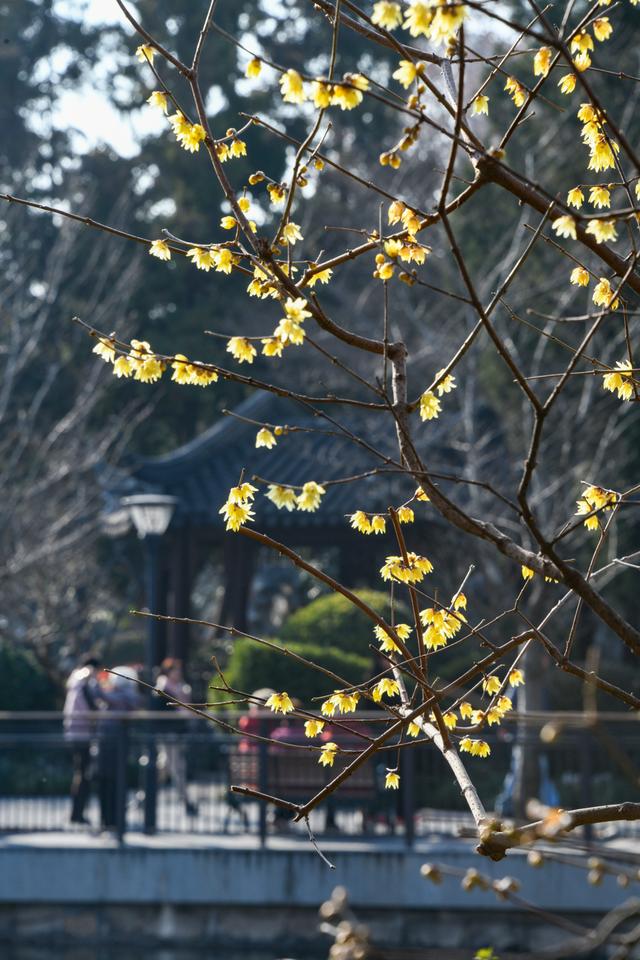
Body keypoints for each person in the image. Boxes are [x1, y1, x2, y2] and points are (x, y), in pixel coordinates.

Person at [97, 666, 141, 833]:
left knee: (114, 783)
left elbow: (103, 697)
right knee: (109, 783)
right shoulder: (125, 695)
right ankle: (109, 820)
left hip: (113, 746)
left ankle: (113, 820)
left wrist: (95, 684)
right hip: (110, 745)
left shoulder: (124, 696)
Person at [63, 654, 102, 826]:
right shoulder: (83, 679)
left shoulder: (75, 683)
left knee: (82, 773)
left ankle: (77, 813)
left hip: (75, 732)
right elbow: (89, 709)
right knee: (83, 774)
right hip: (81, 733)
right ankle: (77, 814)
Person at [155, 658, 196, 816]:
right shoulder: (162, 689)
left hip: (177, 732)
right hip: (167, 733)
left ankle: (145, 798)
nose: (178, 673)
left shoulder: (181, 688)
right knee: (178, 767)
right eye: (175, 670)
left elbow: (187, 708)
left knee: (164, 768)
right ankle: (186, 802)